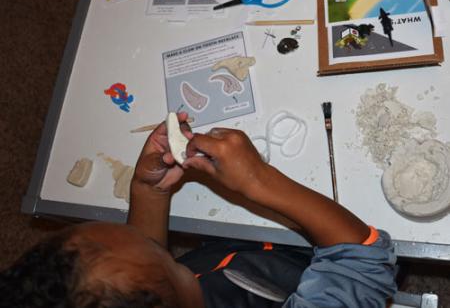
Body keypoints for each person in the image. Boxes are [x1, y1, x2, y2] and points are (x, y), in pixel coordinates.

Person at [0, 112, 397, 307]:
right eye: (169, 258)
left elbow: (141, 268)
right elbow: (361, 261)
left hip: (257, 261)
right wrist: (258, 180)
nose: (170, 251)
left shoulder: (156, 293)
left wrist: (149, 192)